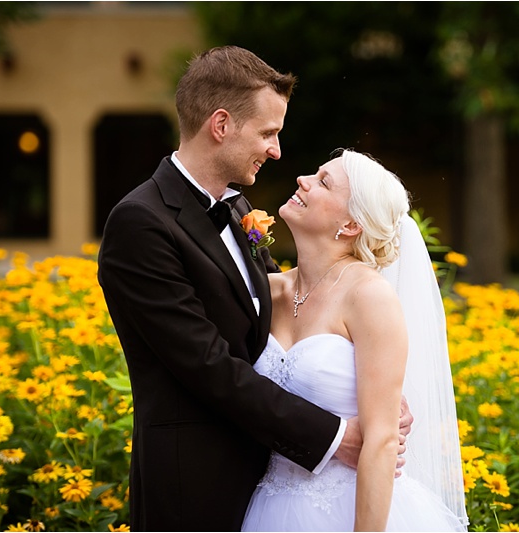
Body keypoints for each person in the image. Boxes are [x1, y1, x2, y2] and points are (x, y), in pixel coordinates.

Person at [97, 47, 412, 531]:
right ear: (221, 125)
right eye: (268, 133)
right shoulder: (141, 223)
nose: (277, 151)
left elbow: (274, 322)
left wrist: (368, 389)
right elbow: (208, 366)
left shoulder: (238, 206)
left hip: (269, 484)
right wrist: (334, 433)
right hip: (193, 487)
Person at [242, 149, 470, 531]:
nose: (303, 180)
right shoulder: (265, 291)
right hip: (267, 505)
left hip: (349, 509)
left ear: (350, 225)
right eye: (315, 173)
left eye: (323, 181)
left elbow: (382, 439)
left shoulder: (369, 297)